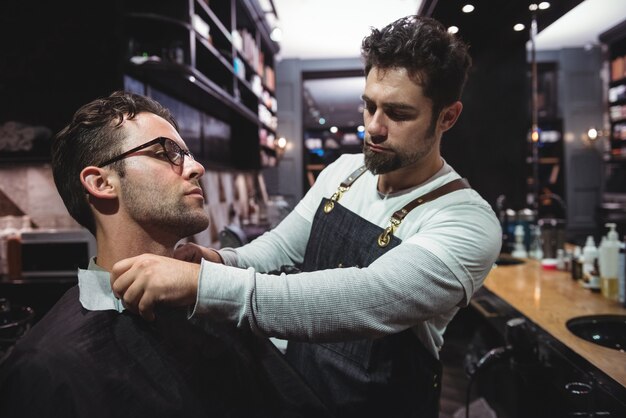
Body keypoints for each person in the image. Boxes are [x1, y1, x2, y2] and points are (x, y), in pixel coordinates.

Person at [111, 15, 502, 418]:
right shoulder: (345, 172)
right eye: (369, 106)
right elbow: (281, 247)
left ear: (447, 117)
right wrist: (220, 260)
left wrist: (203, 284)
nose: (373, 128)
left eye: (399, 114)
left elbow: (365, 299)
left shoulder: (467, 220)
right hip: (299, 390)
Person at [0, 91, 328, 418]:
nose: (196, 167)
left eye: (187, 154)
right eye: (166, 152)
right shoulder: (48, 365)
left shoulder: (209, 303)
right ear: (101, 182)